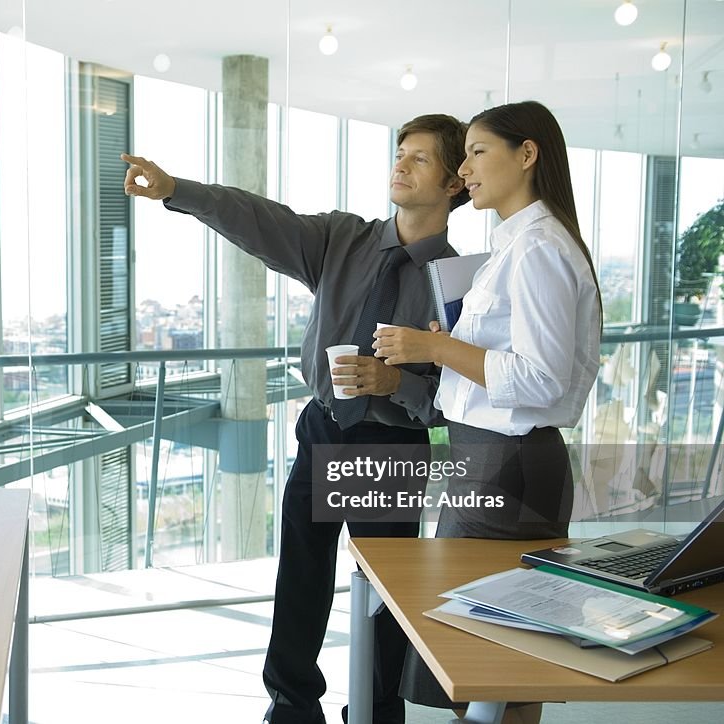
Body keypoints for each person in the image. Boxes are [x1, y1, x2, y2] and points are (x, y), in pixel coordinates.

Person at [122, 113, 469, 724]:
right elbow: (259, 219)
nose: (401, 164)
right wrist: (178, 189)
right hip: (324, 427)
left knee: (384, 593)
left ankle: (377, 708)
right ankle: (290, 704)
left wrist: (399, 383)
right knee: (301, 573)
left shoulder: (463, 282)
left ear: (454, 183)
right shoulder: (343, 240)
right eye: (400, 152)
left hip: (393, 444)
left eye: (419, 158)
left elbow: (464, 391)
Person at [373, 100, 602, 724]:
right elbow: (512, 360)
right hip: (489, 455)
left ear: (526, 155)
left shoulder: (537, 250)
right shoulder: (517, 244)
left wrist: (435, 346)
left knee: (493, 661)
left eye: (477, 151)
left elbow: (539, 376)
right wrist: (449, 348)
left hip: (507, 462)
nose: (465, 168)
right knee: (496, 664)